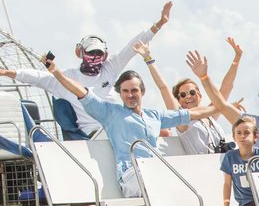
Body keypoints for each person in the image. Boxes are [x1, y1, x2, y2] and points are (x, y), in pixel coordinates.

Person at [0, 1, 172, 139]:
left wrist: (160, 24)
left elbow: (132, 47)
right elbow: (36, 77)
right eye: (90, 53)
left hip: (119, 125)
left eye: (98, 53)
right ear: (80, 53)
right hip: (95, 133)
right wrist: (5, 72)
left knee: (164, 132)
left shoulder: (110, 67)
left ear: (105, 55)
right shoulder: (67, 77)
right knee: (150, 132)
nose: (94, 57)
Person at [45, 58, 231, 198]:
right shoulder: (110, 113)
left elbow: (194, 113)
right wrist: (57, 73)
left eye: (134, 90)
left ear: (142, 92)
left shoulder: (154, 116)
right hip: (132, 176)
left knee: (185, 183)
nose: (130, 95)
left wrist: (223, 107)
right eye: (125, 91)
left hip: (155, 173)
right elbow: (81, 92)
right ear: (120, 94)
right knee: (166, 178)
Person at [134, 36, 244, 156]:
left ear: (199, 95)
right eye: (182, 95)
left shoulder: (211, 114)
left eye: (192, 92)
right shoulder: (181, 120)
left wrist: (237, 59)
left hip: (224, 164)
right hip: (201, 165)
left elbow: (226, 87)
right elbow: (163, 88)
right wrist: (148, 58)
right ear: (179, 101)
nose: (188, 97)